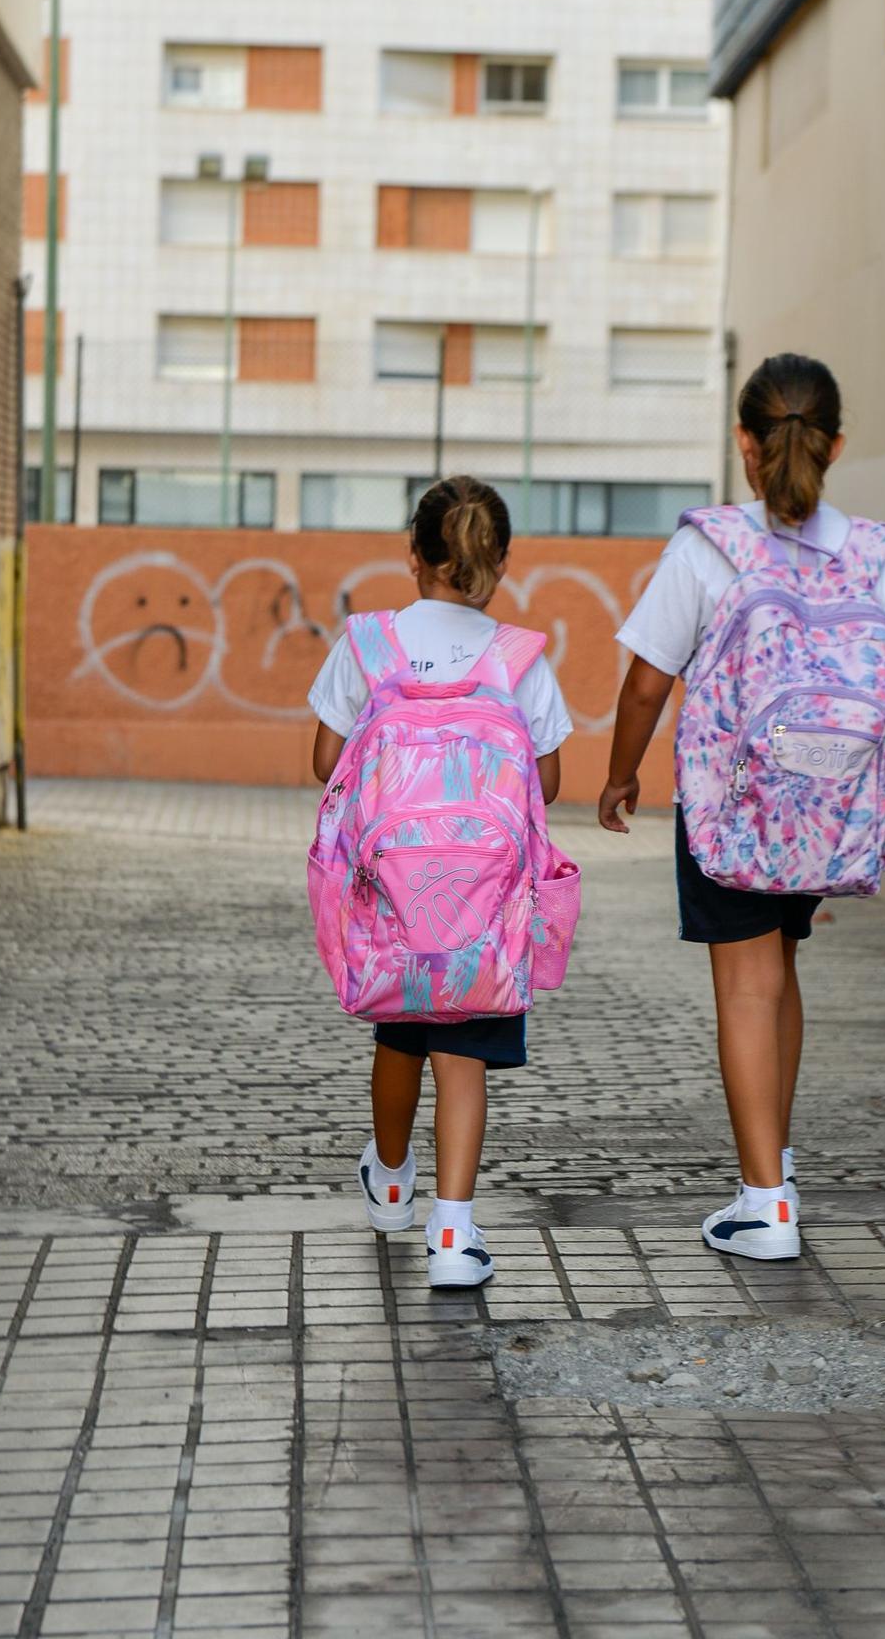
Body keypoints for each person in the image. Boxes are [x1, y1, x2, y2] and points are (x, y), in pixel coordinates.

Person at [598, 354, 885, 1259]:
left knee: (744, 986)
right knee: (776, 974)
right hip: (825, 814)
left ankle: (764, 1202)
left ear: (743, 442)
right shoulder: (873, 550)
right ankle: (771, 1165)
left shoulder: (709, 545)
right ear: (836, 444)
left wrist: (621, 777)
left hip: (732, 807)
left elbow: (644, 683)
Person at [308, 476, 572, 1287]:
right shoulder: (517, 657)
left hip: (394, 899)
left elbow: (327, 764)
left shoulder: (368, 644)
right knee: (463, 1057)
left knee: (398, 1037)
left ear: (413, 554)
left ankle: (389, 1181)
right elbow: (548, 780)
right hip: (482, 909)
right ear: (499, 561)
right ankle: (453, 1235)